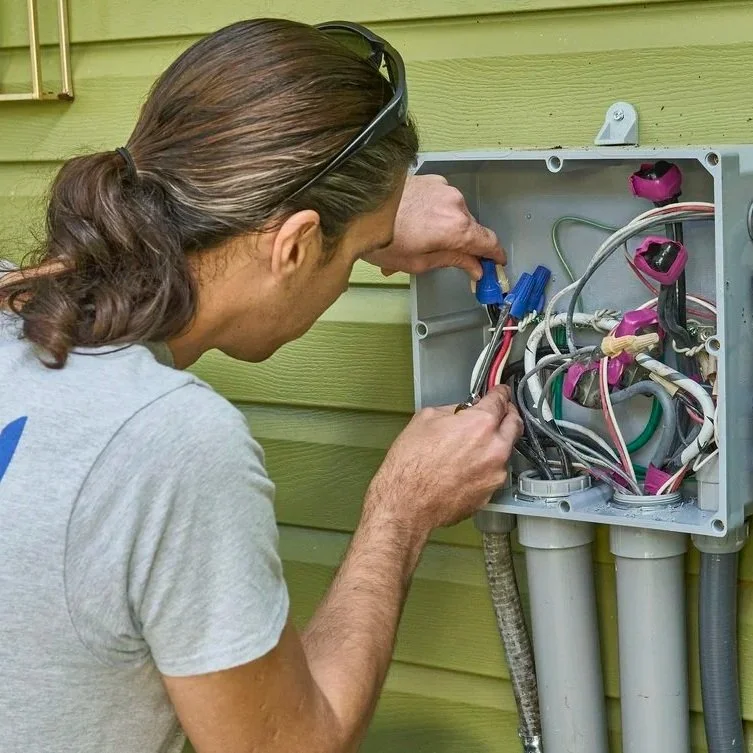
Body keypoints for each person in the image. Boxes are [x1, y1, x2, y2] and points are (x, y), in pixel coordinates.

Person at [0, 18, 521, 753]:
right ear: (294, 243)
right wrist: (400, 510)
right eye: (358, 254)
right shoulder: (172, 440)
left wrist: (365, 213)